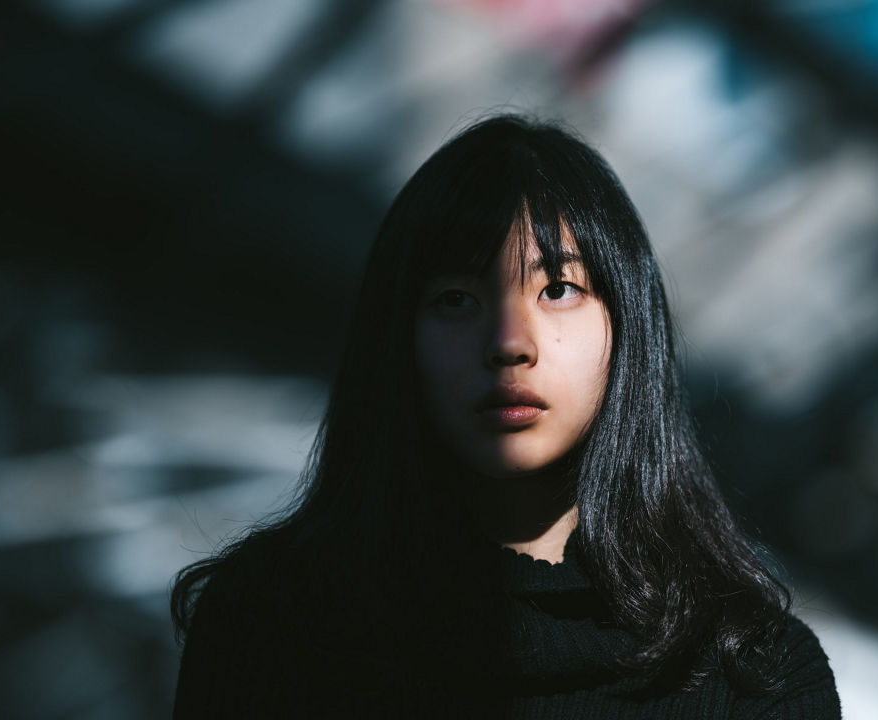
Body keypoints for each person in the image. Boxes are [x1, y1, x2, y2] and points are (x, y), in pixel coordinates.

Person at [171, 114, 840, 718]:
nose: (508, 342)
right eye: (457, 299)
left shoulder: (754, 675)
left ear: (629, 328)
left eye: (558, 288)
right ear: (395, 338)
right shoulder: (272, 624)